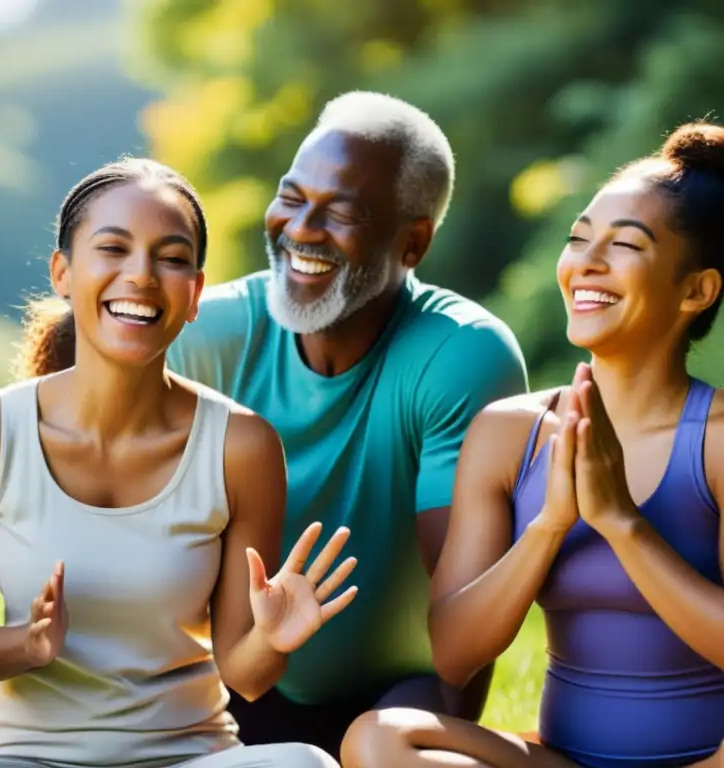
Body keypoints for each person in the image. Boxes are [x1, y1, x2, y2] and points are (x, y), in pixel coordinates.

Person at [0, 157, 355, 768]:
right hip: (27, 760)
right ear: (62, 272)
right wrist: (26, 645)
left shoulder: (242, 447)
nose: (141, 275)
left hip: (186, 757)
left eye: (171, 257)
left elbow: (246, 673)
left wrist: (271, 639)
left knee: (305, 766)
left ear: (194, 294)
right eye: (113, 248)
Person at [149, 91, 527, 757]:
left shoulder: (459, 356)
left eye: (341, 213)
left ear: (412, 242)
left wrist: (426, 747)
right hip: (228, 679)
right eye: (291, 197)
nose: (300, 228)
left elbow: (459, 619)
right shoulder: (207, 336)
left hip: (396, 696)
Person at [341, 122, 724, 767]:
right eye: (579, 238)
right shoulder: (509, 432)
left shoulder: (714, 441)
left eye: (624, 245)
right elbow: (456, 656)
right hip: (563, 761)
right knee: (379, 738)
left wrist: (621, 523)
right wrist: (549, 525)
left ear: (695, 290)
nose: (586, 262)